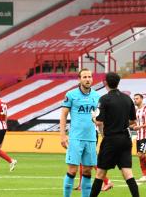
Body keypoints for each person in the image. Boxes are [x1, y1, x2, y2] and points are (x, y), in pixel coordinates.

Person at [89, 73, 139, 197]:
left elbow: (99, 121)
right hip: (125, 139)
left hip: (111, 140)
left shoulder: (104, 99)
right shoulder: (127, 98)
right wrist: (120, 122)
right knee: (128, 173)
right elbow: (133, 121)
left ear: (105, 83)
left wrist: (93, 118)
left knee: (100, 174)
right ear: (118, 82)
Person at [60, 69, 100, 197]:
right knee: (72, 170)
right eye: (85, 77)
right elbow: (64, 114)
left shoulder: (96, 96)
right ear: (79, 79)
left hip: (91, 138)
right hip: (75, 138)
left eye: (89, 77)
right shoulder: (71, 95)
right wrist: (62, 134)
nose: (88, 79)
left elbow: (99, 117)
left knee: (88, 171)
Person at [131, 93, 146, 182]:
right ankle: (144, 175)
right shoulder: (136, 111)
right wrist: (133, 125)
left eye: (137, 98)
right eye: (134, 99)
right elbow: (136, 123)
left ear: (141, 99)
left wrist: (139, 127)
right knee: (140, 155)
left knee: (140, 154)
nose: (135, 100)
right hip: (139, 135)